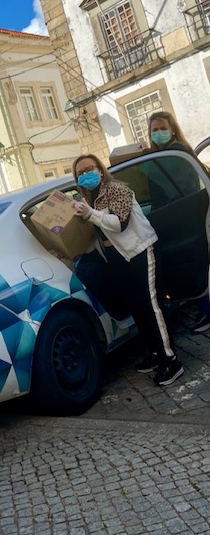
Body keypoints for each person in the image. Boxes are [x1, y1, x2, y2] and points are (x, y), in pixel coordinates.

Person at [72, 154, 184, 386]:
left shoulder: (116, 188)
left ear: (100, 170)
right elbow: (100, 236)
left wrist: (91, 214)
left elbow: (119, 223)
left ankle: (171, 360)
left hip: (141, 250)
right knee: (137, 307)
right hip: (119, 258)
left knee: (150, 305)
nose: (85, 175)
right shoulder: (90, 200)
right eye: (80, 173)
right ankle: (155, 352)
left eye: (89, 169)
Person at [147, 111, 210, 334]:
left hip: (188, 213)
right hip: (183, 214)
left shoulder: (176, 153)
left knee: (196, 263)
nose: (158, 133)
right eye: (154, 130)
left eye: (162, 128)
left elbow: (175, 183)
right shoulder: (162, 156)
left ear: (172, 129)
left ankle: (207, 309)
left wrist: (142, 161)